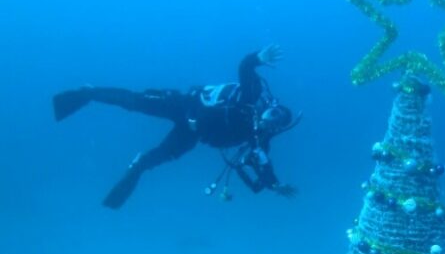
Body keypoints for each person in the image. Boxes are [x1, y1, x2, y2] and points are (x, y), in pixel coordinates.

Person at [53, 46, 299, 208]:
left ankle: (137, 167)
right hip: (184, 106)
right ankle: (88, 93)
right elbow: (245, 67)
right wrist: (259, 58)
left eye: (278, 123)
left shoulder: (258, 137)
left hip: (193, 133)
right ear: (271, 105)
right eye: (275, 113)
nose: (273, 119)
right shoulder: (250, 96)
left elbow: (264, 164)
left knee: (161, 156)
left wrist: (275, 185)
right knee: (134, 102)